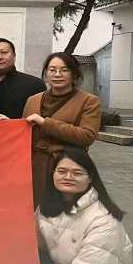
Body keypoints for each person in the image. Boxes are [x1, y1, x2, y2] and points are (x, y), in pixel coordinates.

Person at [23, 52, 101, 207]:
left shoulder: (88, 101)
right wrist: (8, 125)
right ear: (46, 74)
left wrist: (45, 123)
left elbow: (87, 135)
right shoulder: (33, 100)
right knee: (35, 210)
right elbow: (26, 131)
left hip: (69, 167)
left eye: (64, 70)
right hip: (36, 166)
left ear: (74, 74)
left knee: (66, 211)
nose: (57, 74)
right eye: (52, 70)